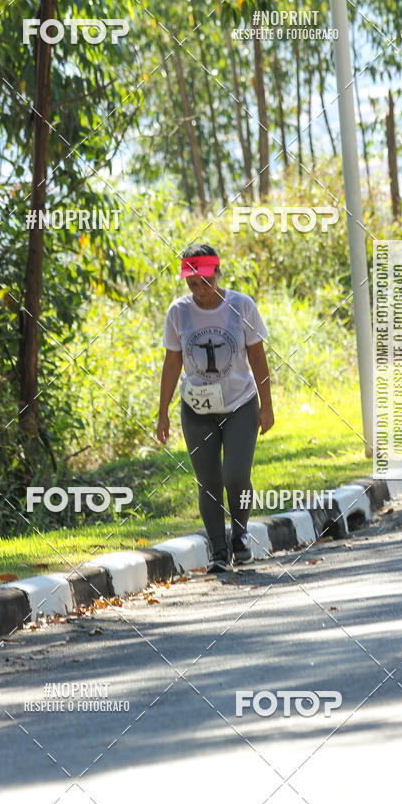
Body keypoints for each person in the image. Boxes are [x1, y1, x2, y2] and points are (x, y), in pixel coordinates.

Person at [156, 244, 274, 572]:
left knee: (236, 475)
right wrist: (163, 411)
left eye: (205, 282)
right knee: (208, 482)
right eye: (192, 284)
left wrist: (267, 406)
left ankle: (240, 535)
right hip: (196, 409)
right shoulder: (178, 312)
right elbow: (173, 361)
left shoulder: (241, 305)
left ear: (218, 273)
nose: (200, 291)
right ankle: (219, 552)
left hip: (240, 403)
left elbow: (258, 357)